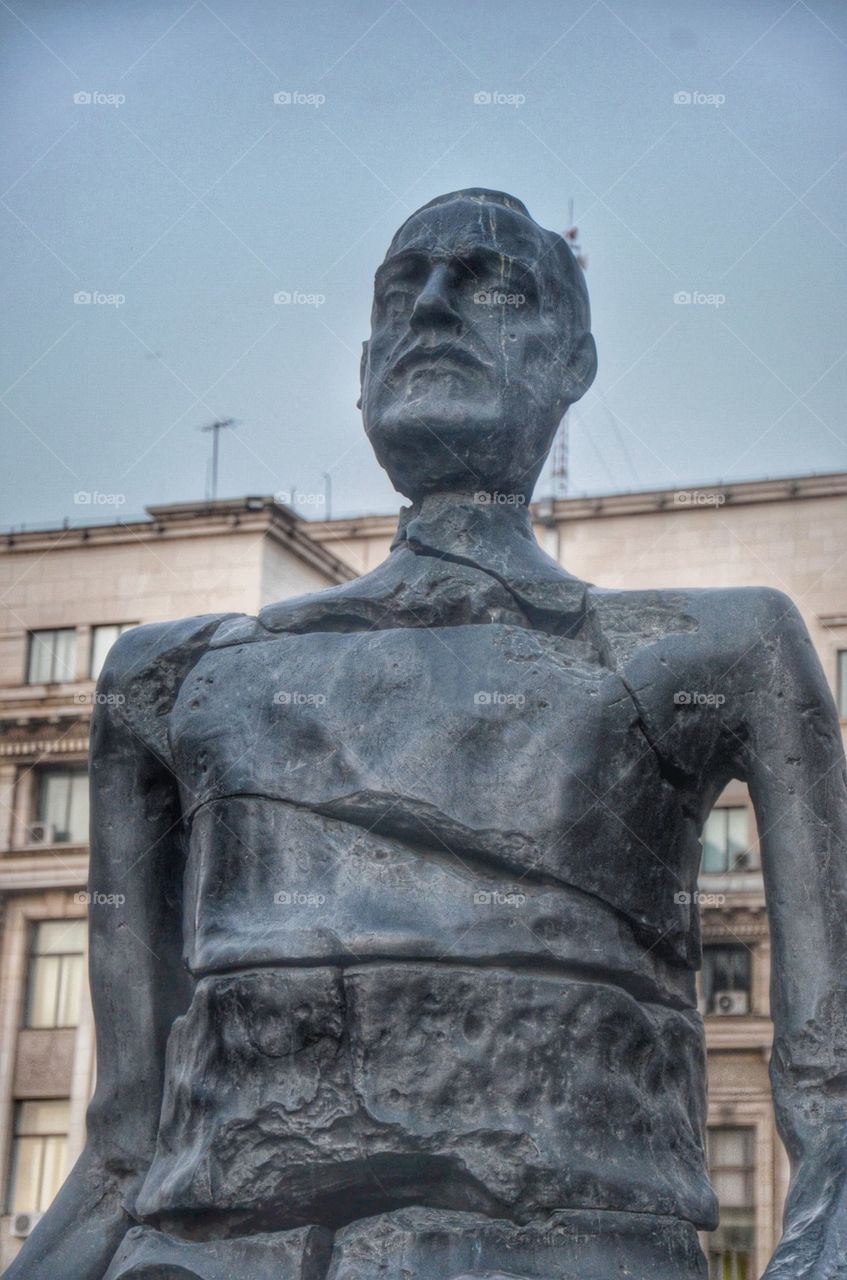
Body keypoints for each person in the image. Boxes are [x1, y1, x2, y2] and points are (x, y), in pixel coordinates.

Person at [9, 189, 847, 1280]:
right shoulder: (165, 676)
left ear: (572, 362)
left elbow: (831, 1105)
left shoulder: (718, 648)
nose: (435, 308)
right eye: (402, 291)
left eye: (488, 284)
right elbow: (124, 1148)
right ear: (361, 375)